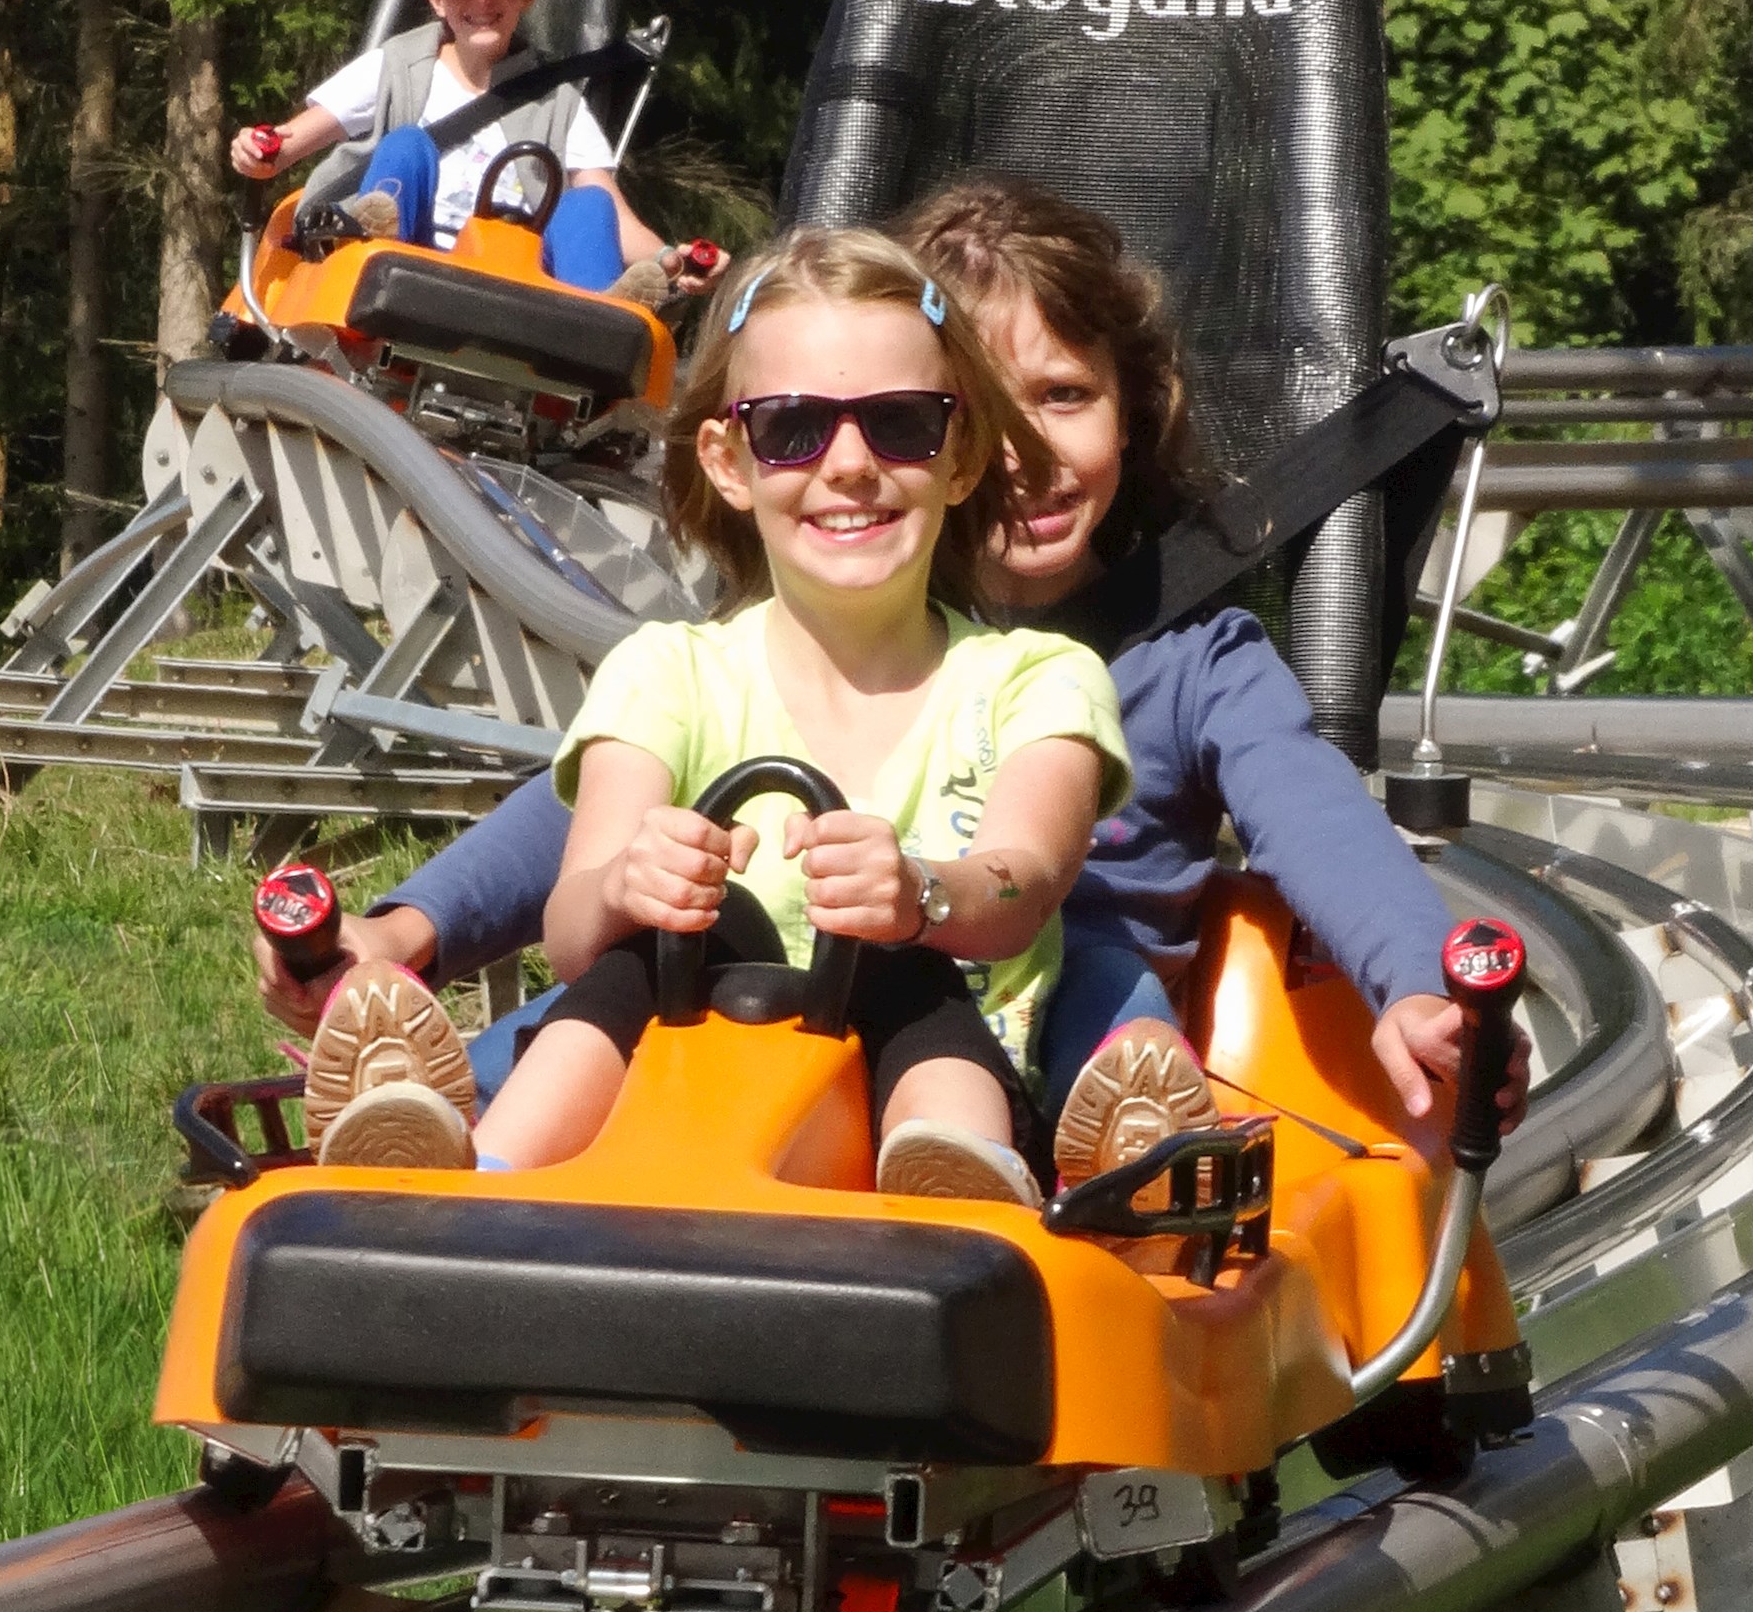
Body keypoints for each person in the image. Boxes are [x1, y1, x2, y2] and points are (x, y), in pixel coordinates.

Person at [266, 179, 1521, 1182]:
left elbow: (1318, 817)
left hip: (1027, 1020)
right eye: (989, 401)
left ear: (1131, 415)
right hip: (771, 1010)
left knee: (1094, 973)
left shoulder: (1186, 661)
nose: (1029, 448)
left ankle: (1122, 1158)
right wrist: (404, 929)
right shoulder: (821, 624)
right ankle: (431, 1136)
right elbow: (596, 809)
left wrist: (1419, 982)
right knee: (617, 989)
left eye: (1066, 396)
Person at [305, 223, 1126, 1205]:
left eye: (901, 422)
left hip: (920, 1089)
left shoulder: (1040, 679)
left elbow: (1022, 882)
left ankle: (952, 1175)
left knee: (891, 956)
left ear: (960, 457)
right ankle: (478, 1170)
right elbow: (571, 929)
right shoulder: (667, 672)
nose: (852, 464)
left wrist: (923, 893)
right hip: (687, 1096)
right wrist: (627, 885)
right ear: (731, 462)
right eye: (794, 427)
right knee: (655, 949)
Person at [227, 0, 665, 289]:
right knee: (406, 144)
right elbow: (285, 146)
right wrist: (258, 151)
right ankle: (376, 240)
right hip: (412, 258)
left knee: (588, 205)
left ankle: (600, 318)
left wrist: (671, 261)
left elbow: (617, 218)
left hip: (515, 275)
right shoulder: (396, 67)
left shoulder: (559, 103)